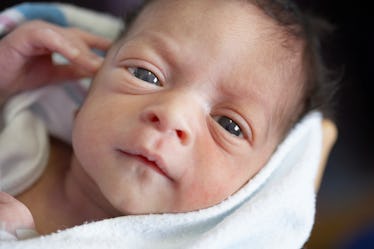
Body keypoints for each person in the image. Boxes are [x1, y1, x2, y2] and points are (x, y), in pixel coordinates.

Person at [0, 0, 336, 242]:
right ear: (87, 90)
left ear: (254, 186)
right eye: (145, 74)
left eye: (229, 125)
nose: (173, 114)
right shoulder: (16, 139)